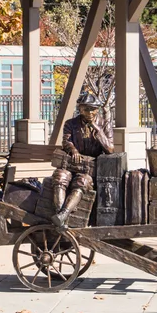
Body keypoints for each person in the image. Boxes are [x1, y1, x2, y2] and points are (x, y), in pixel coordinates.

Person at [51, 92, 114, 228]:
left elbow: (110, 149)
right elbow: (66, 141)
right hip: (71, 165)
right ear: (79, 109)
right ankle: (59, 215)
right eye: (86, 109)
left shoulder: (104, 124)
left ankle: (64, 214)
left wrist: (96, 128)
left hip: (89, 169)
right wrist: (73, 150)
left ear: (97, 109)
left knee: (82, 181)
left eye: (93, 109)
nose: (89, 112)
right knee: (60, 176)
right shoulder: (71, 124)